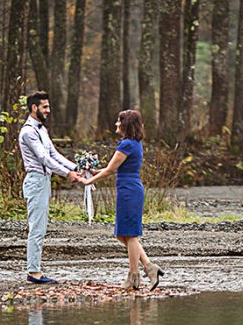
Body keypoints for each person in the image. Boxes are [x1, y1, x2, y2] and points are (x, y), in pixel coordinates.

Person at [80, 110, 164, 290]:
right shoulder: (133, 144)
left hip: (129, 191)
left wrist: (89, 180)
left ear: (126, 124)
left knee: (130, 234)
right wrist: (96, 171)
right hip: (129, 189)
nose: (116, 124)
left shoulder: (126, 144)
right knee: (122, 234)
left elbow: (110, 170)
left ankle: (133, 277)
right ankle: (149, 267)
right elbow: (115, 167)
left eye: (119, 121)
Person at [19, 91, 81, 284]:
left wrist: (76, 167)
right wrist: (67, 174)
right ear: (34, 108)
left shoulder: (42, 130)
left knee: (41, 227)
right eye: (45, 107)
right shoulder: (28, 131)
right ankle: (33, 272)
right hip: (36, 181)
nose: (48, 110)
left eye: (48, 106)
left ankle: (35, 269)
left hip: (44, 181)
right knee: (36, 228)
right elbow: (43, 159)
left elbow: (54, 154)